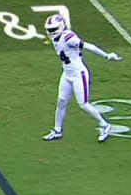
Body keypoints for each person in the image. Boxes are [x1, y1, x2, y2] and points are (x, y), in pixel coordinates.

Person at [42, 13, 120, 143]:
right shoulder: (57, 37)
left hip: (79, 74)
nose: (50, 32)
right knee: (61, 101)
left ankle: (105, 125)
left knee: (83, 104)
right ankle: (57, 130)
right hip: (67, 74)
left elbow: (89, 46)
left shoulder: (68, 38)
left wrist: (106, 55)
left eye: (52, 29)